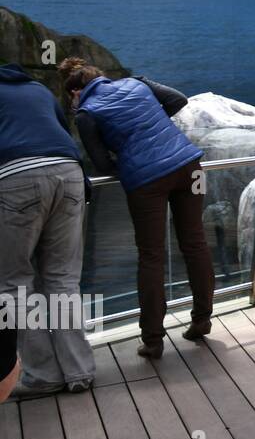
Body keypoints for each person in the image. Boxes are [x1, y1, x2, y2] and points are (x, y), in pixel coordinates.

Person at [58, 58, 214, 359]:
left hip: (147, 181)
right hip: (191, 167)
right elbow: (178, 99)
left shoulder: (86, 114)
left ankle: (153, 340)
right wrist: (152, 122)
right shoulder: (137, 83)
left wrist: (131, 153)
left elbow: (102, 163)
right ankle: (202, 319)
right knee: (195, 243)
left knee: (151, 256)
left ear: (75, 92)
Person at [0, 63, 94, 397]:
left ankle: (43, 375)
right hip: (69, 175)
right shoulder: (39, 90)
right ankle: (79, 370)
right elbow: (64, 135)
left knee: (13, 284)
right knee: (63, 278)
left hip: (16, 178)